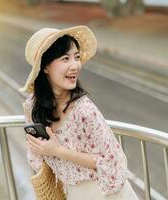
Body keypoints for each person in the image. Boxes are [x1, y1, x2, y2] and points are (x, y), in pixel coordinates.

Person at [20, 26, 139, 199]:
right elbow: (36, 159)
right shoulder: (32, 106)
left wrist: (58, 150)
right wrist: (40, 148)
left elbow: (113, 162)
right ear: (45, 67)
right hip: (71, 193)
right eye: (65, 58)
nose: (75, 65)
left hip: (105, 193)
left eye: (77, 57)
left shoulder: (84, 110)